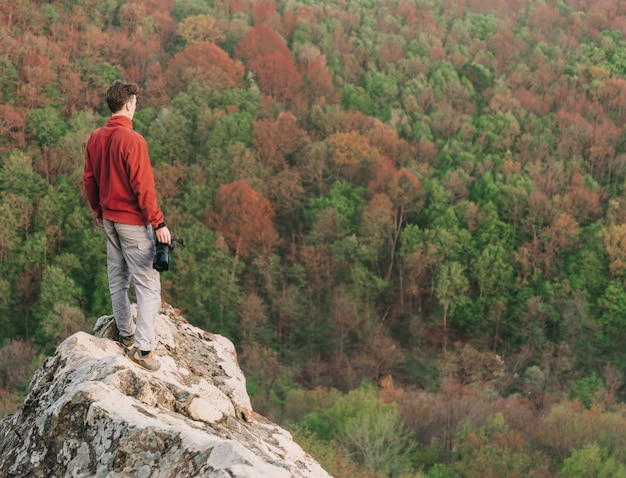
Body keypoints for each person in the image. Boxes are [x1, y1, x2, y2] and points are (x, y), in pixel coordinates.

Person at [84, 80, 171, 371]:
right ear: (130, 105)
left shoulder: (96, 137)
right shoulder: (133, 141)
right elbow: (143, 188)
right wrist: (158, 222)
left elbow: (89, 179)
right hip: (132, 222)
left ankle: (126, 335)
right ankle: (144, 352)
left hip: (108, 218)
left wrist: (98, 209)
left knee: (117, 279)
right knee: (148, 285)